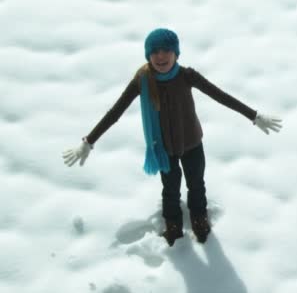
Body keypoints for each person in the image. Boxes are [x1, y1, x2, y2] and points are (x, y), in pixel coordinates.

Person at [63, 28, 282, 246]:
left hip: (192, 143)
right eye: (155, 51)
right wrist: (88, 141)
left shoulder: (187, 76)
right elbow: (115, 112)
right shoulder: (143, 80)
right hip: (163, 148)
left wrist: (253, 116)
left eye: (166, 50)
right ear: (148, 55)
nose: (160, 56)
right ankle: (173, 224)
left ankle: (199, 217)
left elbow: (220, 96)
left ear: (176, 53)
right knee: (170, 189)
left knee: (196, 184)